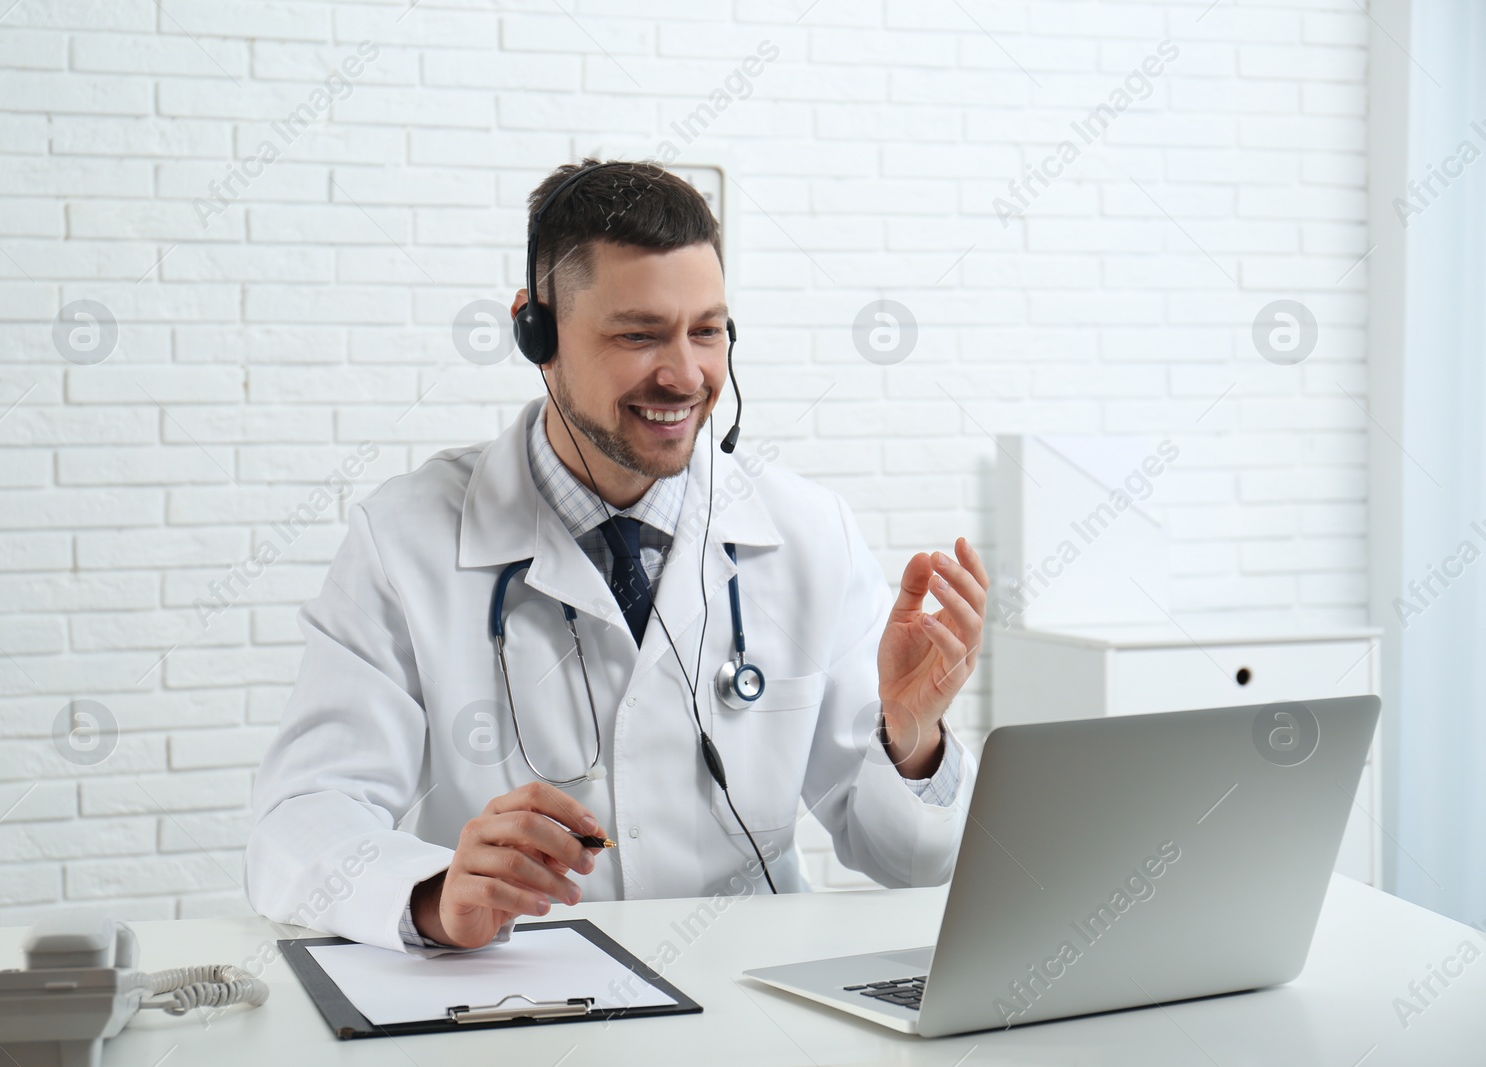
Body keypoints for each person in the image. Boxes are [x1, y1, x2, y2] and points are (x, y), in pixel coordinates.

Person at [244, 159, 988, 955]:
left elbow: (910, 861)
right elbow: (300, 818)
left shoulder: (809, 531)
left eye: (707, 330)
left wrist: (913, 742)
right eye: (639, 335)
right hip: (523, 999)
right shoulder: (405, 540)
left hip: (752, 1001)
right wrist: (431, 894)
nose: (685, 375)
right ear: (538, 332)